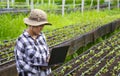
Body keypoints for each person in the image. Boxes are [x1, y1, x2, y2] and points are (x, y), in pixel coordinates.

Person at [14, 9, 52, 76]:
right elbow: (20, 64)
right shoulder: (22, 40)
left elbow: (46, 51)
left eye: (43, 26)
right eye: (39, 26)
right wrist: (38, 69)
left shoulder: (42, 36)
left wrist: (49, 59)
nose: (41, 28)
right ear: (31, 25)